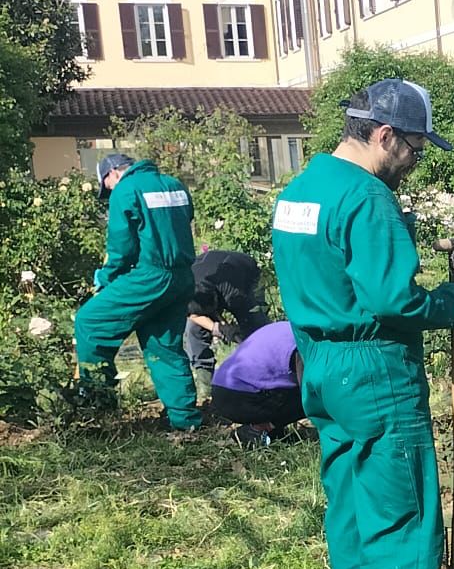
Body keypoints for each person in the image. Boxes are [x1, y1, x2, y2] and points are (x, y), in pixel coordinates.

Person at [271, 79, 454, 569]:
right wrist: (452, 303)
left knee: (354, 512)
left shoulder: (299, 192)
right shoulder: (368, 198)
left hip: (321, 368)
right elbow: (393, 300)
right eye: (414, 147)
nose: (414, 161)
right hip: (374, 369)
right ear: (385, 136)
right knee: (402, 513)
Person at [71, 151, 201, 431]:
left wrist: (105, 279)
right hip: (182, 278)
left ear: (112, 173)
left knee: (90, 322)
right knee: (163, 345)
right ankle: (185, 420)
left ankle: (99, 408)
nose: (109, 193)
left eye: (106, 187)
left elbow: (121, 248)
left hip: (150, 276)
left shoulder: (126, 189)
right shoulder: (174, 184)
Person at [204, 320, 305, 445]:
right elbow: (311, 392)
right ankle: (257, 430)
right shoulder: (304, 341)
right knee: (318, 395)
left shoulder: (291, 327)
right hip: (240, 396)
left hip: (224, 387)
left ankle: (271, 431)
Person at [185, 248, 270, 379]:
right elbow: (191, 314)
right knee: (193, 329)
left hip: (246, 272)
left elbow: (248, 320)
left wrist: (235, 332)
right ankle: (205, 381)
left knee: (255, 326)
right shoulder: (186, 288)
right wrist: (217, 328)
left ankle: (265, 369)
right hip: (208, 272)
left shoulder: (233, 294)